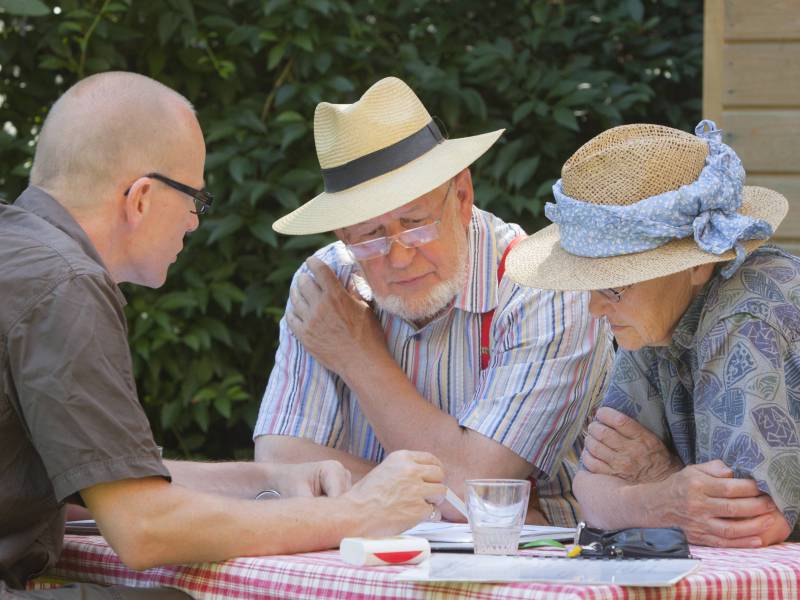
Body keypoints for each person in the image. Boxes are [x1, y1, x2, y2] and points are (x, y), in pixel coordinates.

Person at [0, 71, 446, 598]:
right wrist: (357, 513)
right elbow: (144, 527)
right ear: (141, 198)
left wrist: (268, 481)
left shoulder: (23, 256)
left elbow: (118, 479)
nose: (194, 222)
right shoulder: (66, 286)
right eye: (196, 197)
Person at [253, 76, 614, 525]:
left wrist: (358, 355)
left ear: (462, 197)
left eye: (415, 223)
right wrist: (436, 495)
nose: (399, 257)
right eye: (370, 236)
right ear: (343, 237)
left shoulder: (543, 287)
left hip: (528, 575)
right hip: (371, 562)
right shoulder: (330, 284)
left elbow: (473, 490)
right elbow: (279, 465)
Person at [504, 120, 799, 546]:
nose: (594, 306)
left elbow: (739, 524)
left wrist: (656, 479)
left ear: (697, 264)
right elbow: (590, 494)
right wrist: (664, 497)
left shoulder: (747, 317)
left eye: (614, 285)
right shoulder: (652, 318)